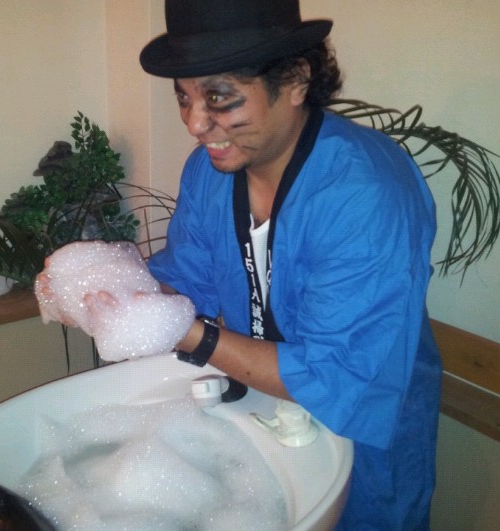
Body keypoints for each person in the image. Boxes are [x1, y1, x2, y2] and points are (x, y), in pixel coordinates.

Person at [139, 1, 442, 529]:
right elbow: (186, 278)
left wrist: (186, 332)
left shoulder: (363, 192)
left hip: (363, 437)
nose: (195, 123)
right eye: (184, 97)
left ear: (296, 79)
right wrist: (116, 292)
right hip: (259, 415)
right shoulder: (208, 172)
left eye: (218, 96)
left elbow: (335, 374)